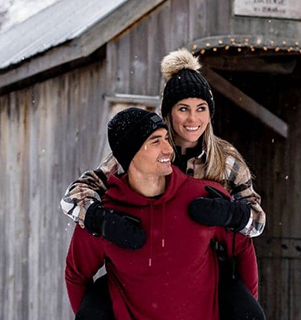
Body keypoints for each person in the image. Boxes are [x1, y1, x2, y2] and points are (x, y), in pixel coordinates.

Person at [60, 48, 266, 250]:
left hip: (205, 267)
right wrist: (104, 221)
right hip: (149, 258)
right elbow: (72, 198)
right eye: (183, 109)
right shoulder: (143, 150)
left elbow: (258, 222)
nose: (193, 119)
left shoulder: (226, 160)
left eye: (201, 108)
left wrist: (231, 214)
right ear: (169, 113)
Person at [65, 108, 258, 320]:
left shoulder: (203, 197)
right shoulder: (104, 217)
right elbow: (77, 275)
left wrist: (246, 304)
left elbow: (242, 247)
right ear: (130, 153)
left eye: (167, 138)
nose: (169, 149)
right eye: (156, 141)